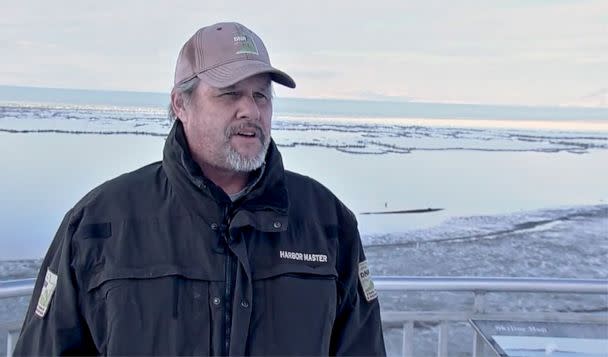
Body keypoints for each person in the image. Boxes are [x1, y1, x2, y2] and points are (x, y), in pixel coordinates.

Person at [13, 22, 386, 356]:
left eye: (261, 96)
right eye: (230, 93)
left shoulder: (327, 222)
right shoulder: (98, 224)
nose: (251, 111)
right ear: (181, 104)